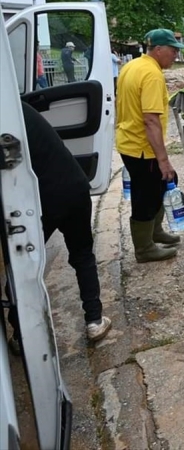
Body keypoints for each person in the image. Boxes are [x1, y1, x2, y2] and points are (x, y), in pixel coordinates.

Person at [7, 102, 113, 345]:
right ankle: (94, 321)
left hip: (44, 200)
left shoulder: (7, 116)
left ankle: (20, 336)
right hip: (75, 186)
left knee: (21, 265)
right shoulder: (16, 106)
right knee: (83, 255)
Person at [116, 29, 184, 263]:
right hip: (142, 148)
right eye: (173, 50)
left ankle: (155, 232)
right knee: (145, 196)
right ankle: (144, 248)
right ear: (158, 49)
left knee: (157, 188)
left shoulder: (132, 66)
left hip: (129, 142)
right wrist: (163, 159)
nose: (176, 55)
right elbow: (151, 120)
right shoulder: (152, 75)